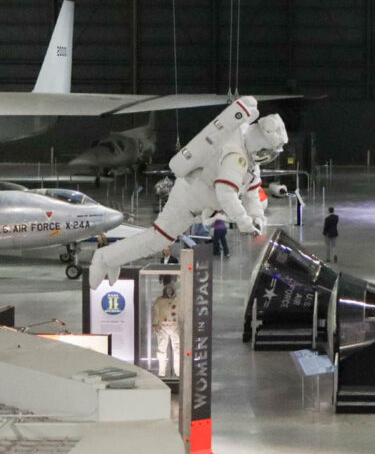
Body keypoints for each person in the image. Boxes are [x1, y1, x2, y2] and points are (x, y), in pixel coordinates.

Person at [89, 99, 287, 289]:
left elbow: (252, 192)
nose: (265, 156)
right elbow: (226, 193)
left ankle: (112, 258)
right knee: (158, 239)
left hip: (195, 203)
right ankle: (104, 258)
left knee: (158, 239)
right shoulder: (236, 157)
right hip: (186, 201)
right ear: (260, 143)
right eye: (266, 151)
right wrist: (244, 222)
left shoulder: (245, 152)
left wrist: (257, 218)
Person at [152, 284, 180, 377]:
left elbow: (183, 313)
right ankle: (162, 372)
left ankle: (178, 372)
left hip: (175, 326)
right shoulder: (159, 301)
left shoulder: (178, 301)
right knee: (161, 350)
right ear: (164, 291)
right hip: (163, 326)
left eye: (170, 290)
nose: (169, 292)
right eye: (167, 290)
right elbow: (156, 313)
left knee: (177, 350)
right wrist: (155, 324)